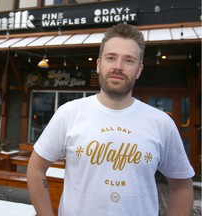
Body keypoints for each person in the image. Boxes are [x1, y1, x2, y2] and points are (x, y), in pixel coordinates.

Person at [27, 23, 195, 216]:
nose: (118, 67)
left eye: (128, 60)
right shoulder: (69, 113)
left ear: (139, 70)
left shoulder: (161, 123)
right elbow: (36, 168)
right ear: (99, 65)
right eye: (111, 58)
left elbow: (182, 185)